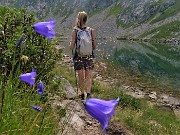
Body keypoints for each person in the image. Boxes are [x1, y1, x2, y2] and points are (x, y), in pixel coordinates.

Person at [69, 11, 97, 100]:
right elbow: (95, 46)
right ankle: (88, 93)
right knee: (88, 75)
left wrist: (71, 43)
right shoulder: (91, 30)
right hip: (89, 55)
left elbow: (71, 47)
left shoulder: (75, 30)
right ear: (86, 19)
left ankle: (81, 94)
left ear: (78, 18)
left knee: (80, 76)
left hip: (78, 56)